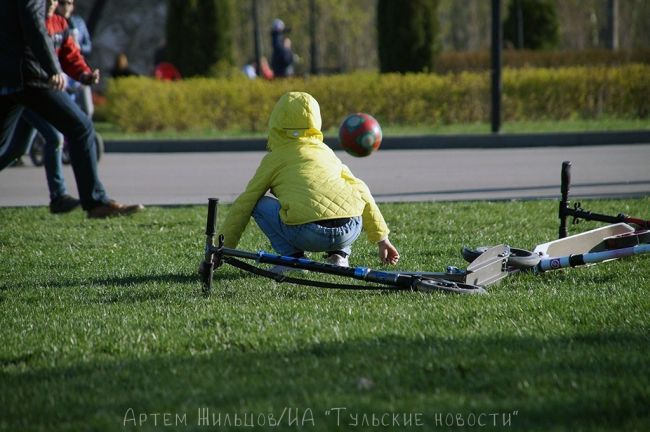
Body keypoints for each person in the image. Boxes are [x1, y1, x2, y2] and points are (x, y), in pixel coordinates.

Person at [219, 91, 400, 273]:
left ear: (277, 121)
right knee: (343, 194)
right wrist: (382, 239)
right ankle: (339, 256)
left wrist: (222, 248)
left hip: (308, 233)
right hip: (350, 230)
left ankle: (293, 260)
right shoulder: (326, 152)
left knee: (257, 203)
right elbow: (360, 188)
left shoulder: (275, 158)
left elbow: (245, 202)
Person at [0, 0, 144, 218]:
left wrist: (84, 74)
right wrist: (51, 68)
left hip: (10, 76)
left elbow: (69, 54)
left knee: (12, 147)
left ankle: (67, 197)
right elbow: (33, 23)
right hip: (29, 75)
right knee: (81, 127)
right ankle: (95, 202)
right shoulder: (42, 18)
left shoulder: (60, 23)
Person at [56, 0, 94, 118]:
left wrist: (78, 46)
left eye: (69, 3)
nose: (66, 7)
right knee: (63, 110)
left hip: (77, 69)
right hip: (60, 72)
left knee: (87, 110)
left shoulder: (78, 23)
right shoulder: (52, 22)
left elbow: (88, 46)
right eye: (62, 3)